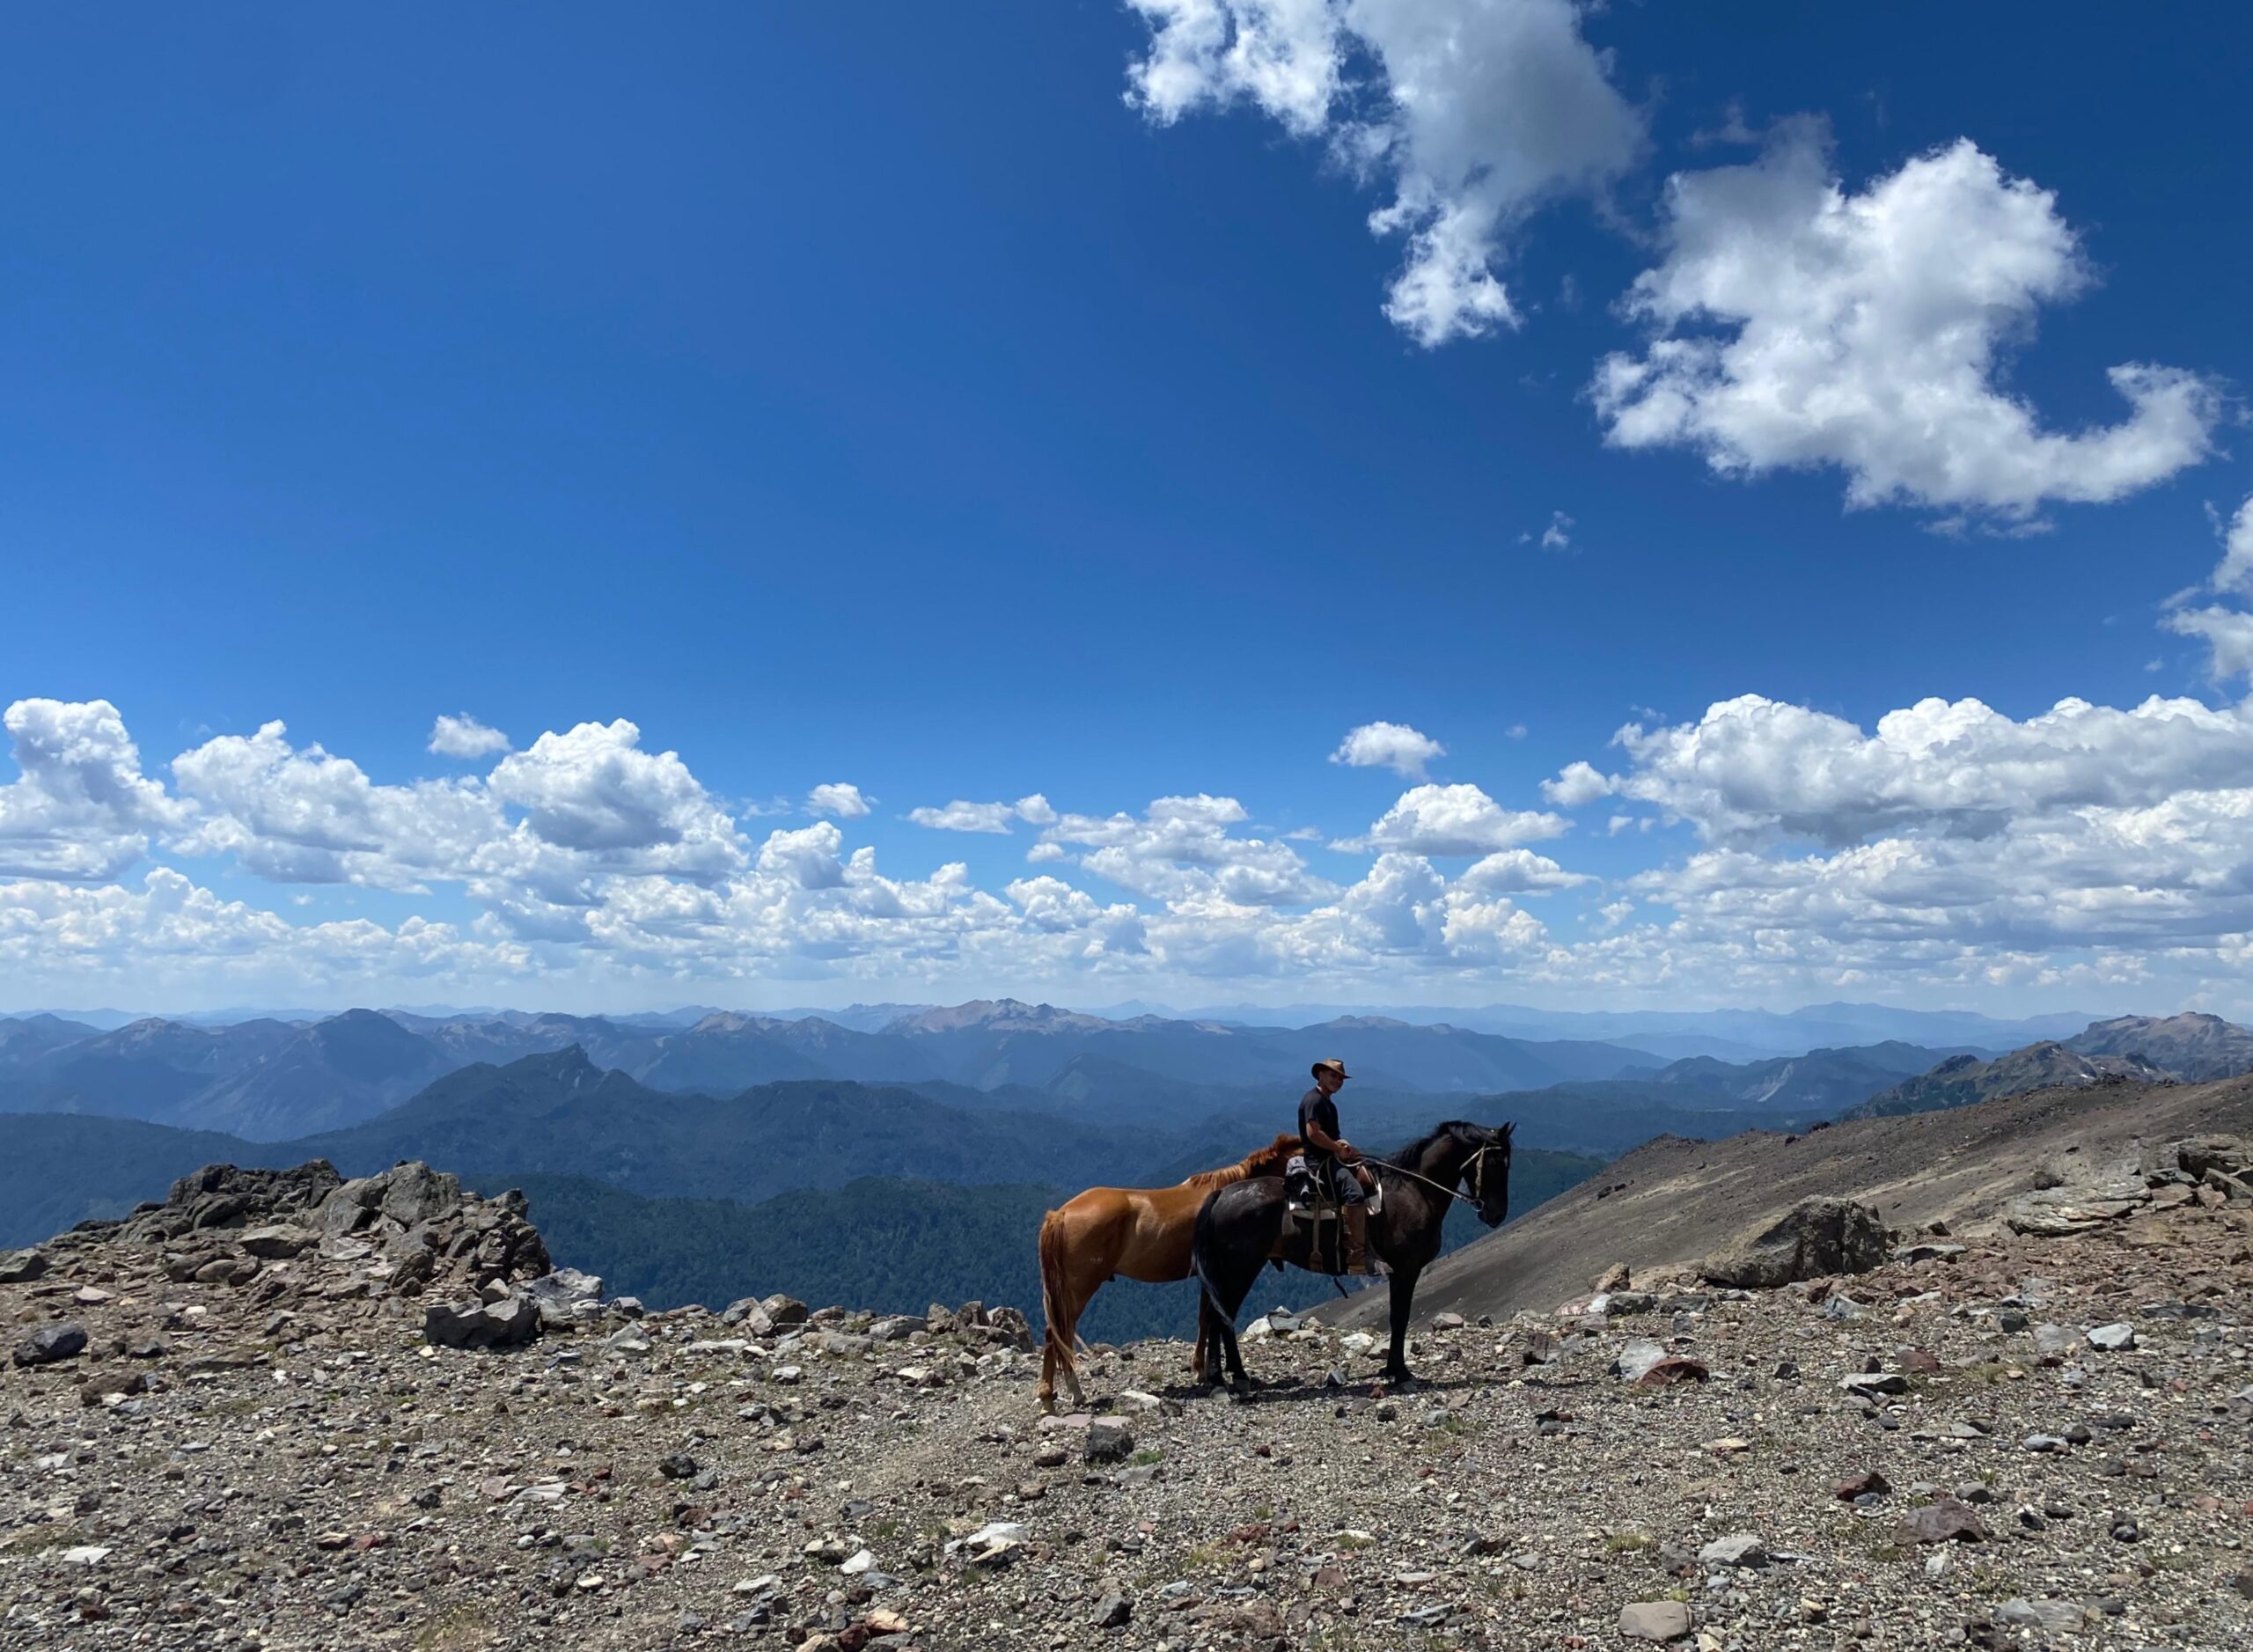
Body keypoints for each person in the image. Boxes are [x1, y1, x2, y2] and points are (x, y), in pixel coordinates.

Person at [1296, 1058, 1381, 1276]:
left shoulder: (1326, 1102)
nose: (1338, 1081)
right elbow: (1313, 1134)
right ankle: (1356, 1257)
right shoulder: (1314, 1101)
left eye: (1341, 1078)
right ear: (1320, 1075)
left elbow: (1330, 1135)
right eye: (1333, 1076)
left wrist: (1346, 1148)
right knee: (1355, 1194)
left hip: (1331, 1157)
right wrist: (1337, 1148)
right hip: (1321, 1162)